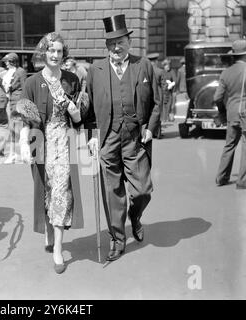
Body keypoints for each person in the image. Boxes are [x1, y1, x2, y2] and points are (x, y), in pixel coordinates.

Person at [84, 14, 160, 262]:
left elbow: (158, 102)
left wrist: (150, 127)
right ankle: (117, 238)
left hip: (135, 137)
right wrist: (91, 135)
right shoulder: (95, 70)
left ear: (129, 40)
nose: (115, 47)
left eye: (120, 41)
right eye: (110, 43)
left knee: (142, 191)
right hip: (107, 138)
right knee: (111, 191)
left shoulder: (144, 65)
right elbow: (88, 107)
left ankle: (134, 216)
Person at [18, 32, 84, 273]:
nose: (55, 55)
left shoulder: (72, 79)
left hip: (64, 142)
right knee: (44, 189)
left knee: (60, 192)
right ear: (44, 53)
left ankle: (57, 249)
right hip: (40, 141)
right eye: (51, 51)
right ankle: (48, 230)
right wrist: (25, 141)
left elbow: (80, 117)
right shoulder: (32, 82)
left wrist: (75, 112)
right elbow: (25, 116)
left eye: (59, 51)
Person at [214, 39, 246, 189]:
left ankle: (221, 178)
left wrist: (222, 111)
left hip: (232, 112)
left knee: (229, 145)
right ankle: (242, 181)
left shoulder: (226, 72)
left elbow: (217, 98)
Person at [1, 52, 27, 164]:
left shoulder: (20, 71)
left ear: (12, 61)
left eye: (7, 61)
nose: (6, 63)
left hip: (18, 102)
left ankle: (21, 153)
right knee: (12, 128)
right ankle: (13, 154)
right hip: (10, 102)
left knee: (19, 128)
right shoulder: (9, 72)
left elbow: (25, 87)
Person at [147, 52, 164, 138]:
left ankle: (150, 131)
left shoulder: (146, 70)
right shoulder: (160, 71)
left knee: (150, 113)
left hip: (148, 94)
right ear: (156, 61)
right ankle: (158, 133)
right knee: (157, 113)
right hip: (158, 94)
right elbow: (164, 85)